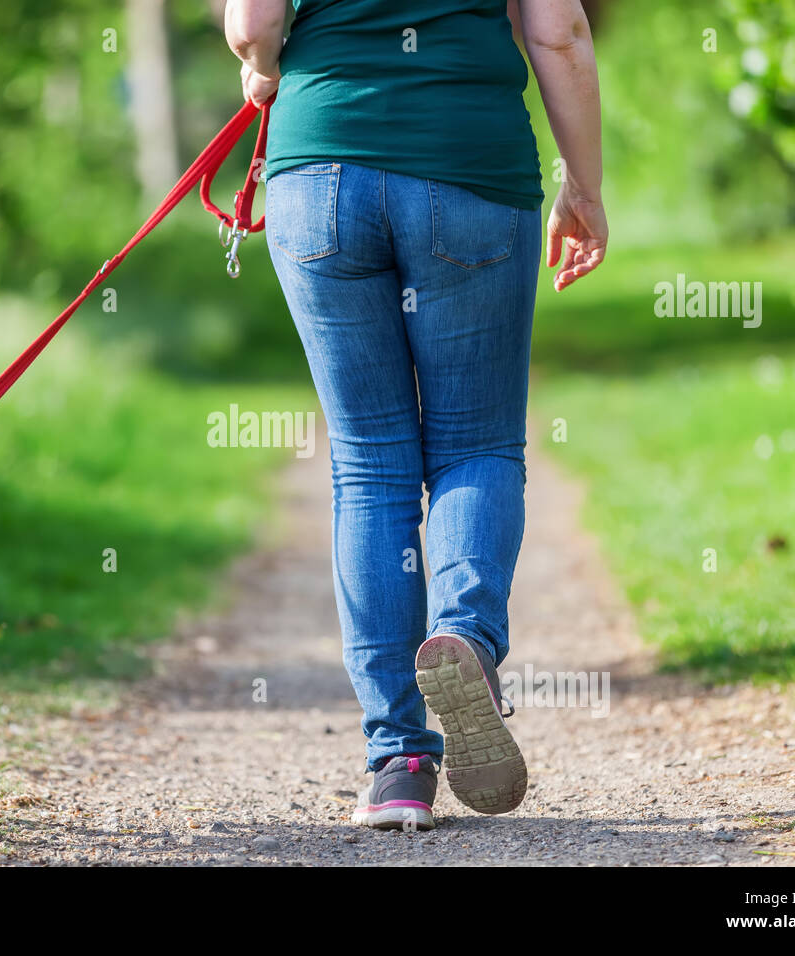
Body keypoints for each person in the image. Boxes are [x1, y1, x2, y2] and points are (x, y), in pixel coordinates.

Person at [224, 0, 607, 829]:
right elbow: (559, 31)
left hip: (321, 171)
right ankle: (464, 638)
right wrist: (585, 185)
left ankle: (397, 762)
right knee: (478, 443)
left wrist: (260, 69)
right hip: (467, 165)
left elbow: (254, 22)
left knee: (368, 465)